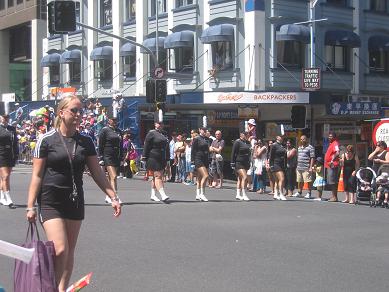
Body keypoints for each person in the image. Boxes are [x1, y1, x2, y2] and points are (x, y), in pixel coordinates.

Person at [26, 93, 121, 292]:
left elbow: (97, 172)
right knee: (60, 249)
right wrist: (30, 206)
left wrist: (113, 195)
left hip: (75, 201)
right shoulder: (46, 140)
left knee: (69, 252)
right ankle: (49, 286)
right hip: (50, 200)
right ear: (62, 112)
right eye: (74, 110)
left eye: (81, 111)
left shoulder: (85, 141)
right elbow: (36, 175)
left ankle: (60, 289)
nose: (79, 114)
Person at [142, 118, 170, 202]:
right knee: (158, 176)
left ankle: (153, 195)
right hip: (153, 156)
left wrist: (168, 158)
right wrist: (144, 157)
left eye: (161, 123)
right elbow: (146, 146)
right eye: (159, 123)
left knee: (156, 177)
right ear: (155, 124)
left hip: (162, 157)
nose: (160, 125)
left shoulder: (164, 134)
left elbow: (167, 147)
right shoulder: (151, 133)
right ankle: (163, 195)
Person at [98, 116, 123, 204]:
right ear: (109, 120)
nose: (115, 121)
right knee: (114, 176)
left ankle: (108, 195)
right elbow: (101, 144)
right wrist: (100, 157)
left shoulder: (119, 131)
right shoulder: (105, 130)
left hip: (116, 156)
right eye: (113, 120)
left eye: (116, 120)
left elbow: (121, 145)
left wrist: (121, 158)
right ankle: (115, 196)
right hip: (107, 155)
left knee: (111, 177)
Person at [0, 114, 18, 208]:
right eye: (4, 117)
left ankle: (2, 196)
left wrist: (16, 154)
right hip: (1, 155)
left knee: (5, 177)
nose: (5, 119)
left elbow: (15, 142)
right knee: (5, 176)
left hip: (10, 155)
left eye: (7, 117)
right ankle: (8, 198)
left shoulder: (12, 128)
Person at [191, 127, 211, 202]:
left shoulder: (207, 139)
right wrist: (192, 161)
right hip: (198, 159)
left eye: (205, 130)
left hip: (205, 159)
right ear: (199, 130)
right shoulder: (196, 138)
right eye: (203, 130)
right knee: (205, 175)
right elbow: (193, 150)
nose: (204, 131)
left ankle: (197, 194)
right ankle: (202, 194)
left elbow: (209, 149)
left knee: (199, 177)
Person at [231, 131, 251, 201]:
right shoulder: (237, 142)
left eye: (247, 134)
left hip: (246, 162)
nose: (246, 135)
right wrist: (232, 163)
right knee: (245, 177)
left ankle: (238, 194)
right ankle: (244, 194)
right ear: (241, 135)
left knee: (240, 178)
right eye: (245, 134)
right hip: (239, 162)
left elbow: (249, 153)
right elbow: (233, 152)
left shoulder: (248, 142)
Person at [269, 135, 287, 200]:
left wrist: (285, 164)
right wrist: (271, 166)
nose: (282, 138)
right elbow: (271, 156)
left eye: (282, 137)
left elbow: (285, 156)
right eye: (280, 136)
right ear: (277, 137)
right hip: (276, 164)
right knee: (282, 179)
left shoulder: (283, 145)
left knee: (277, 180)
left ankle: (276, 194)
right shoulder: (274, 145)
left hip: (282, 164)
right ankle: (281, 194)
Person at [324, 132, 340, 202]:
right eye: (329, 136)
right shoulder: (331, 144)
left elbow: (337, 152)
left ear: (334, 137)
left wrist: (332, 160)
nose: (329, 137)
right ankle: (333, 196)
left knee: (333, 182)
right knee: (331, 181)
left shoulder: (335, 143)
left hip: (332, 165)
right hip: (329, 165)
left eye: (331, 136)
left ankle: (334, 197)